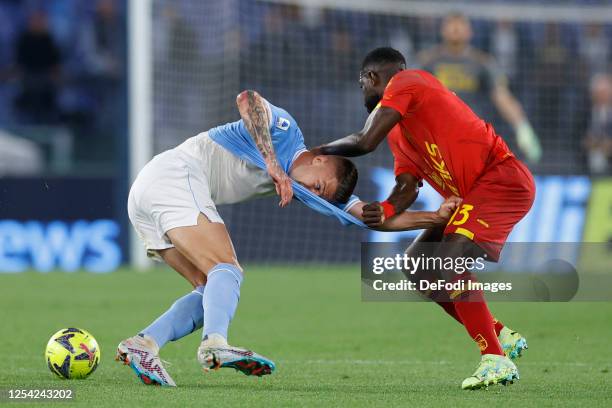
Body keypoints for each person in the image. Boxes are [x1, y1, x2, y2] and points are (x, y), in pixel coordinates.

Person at [117, 90, 459, 387]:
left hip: (147, 197)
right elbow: (247, 99)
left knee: (212, 287)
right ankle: (216, 343)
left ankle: (144, 344)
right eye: (319, 185)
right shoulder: (287, 133)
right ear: (321, 159)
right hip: (175, 174)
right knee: (228, 269)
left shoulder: (303, 189)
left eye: (321, 195)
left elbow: (372, 219)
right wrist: (273, 165)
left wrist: (435, 217)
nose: (313, 192)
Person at [314, 47, 535, 390]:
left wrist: (315, 153)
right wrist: (387, 209)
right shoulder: (398, 132)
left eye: (362, 85)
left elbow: (363, 141)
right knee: (417, 265)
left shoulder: (408, 80)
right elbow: (406, 185)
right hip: (472, 194)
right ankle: (499, 334)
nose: (363, 93)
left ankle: (495, 359)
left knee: (450, 256)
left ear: (372, 78)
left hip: (501, 179)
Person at [418, 13, 541, 163]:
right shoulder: (428, 62)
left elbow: (502, 97)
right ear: (442, 30)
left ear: (470, 32)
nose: (456, 29)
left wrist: (522, 127)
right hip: (436, 137)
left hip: (472, 136)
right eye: (451, 24)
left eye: (460, 25)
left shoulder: (482, 62)